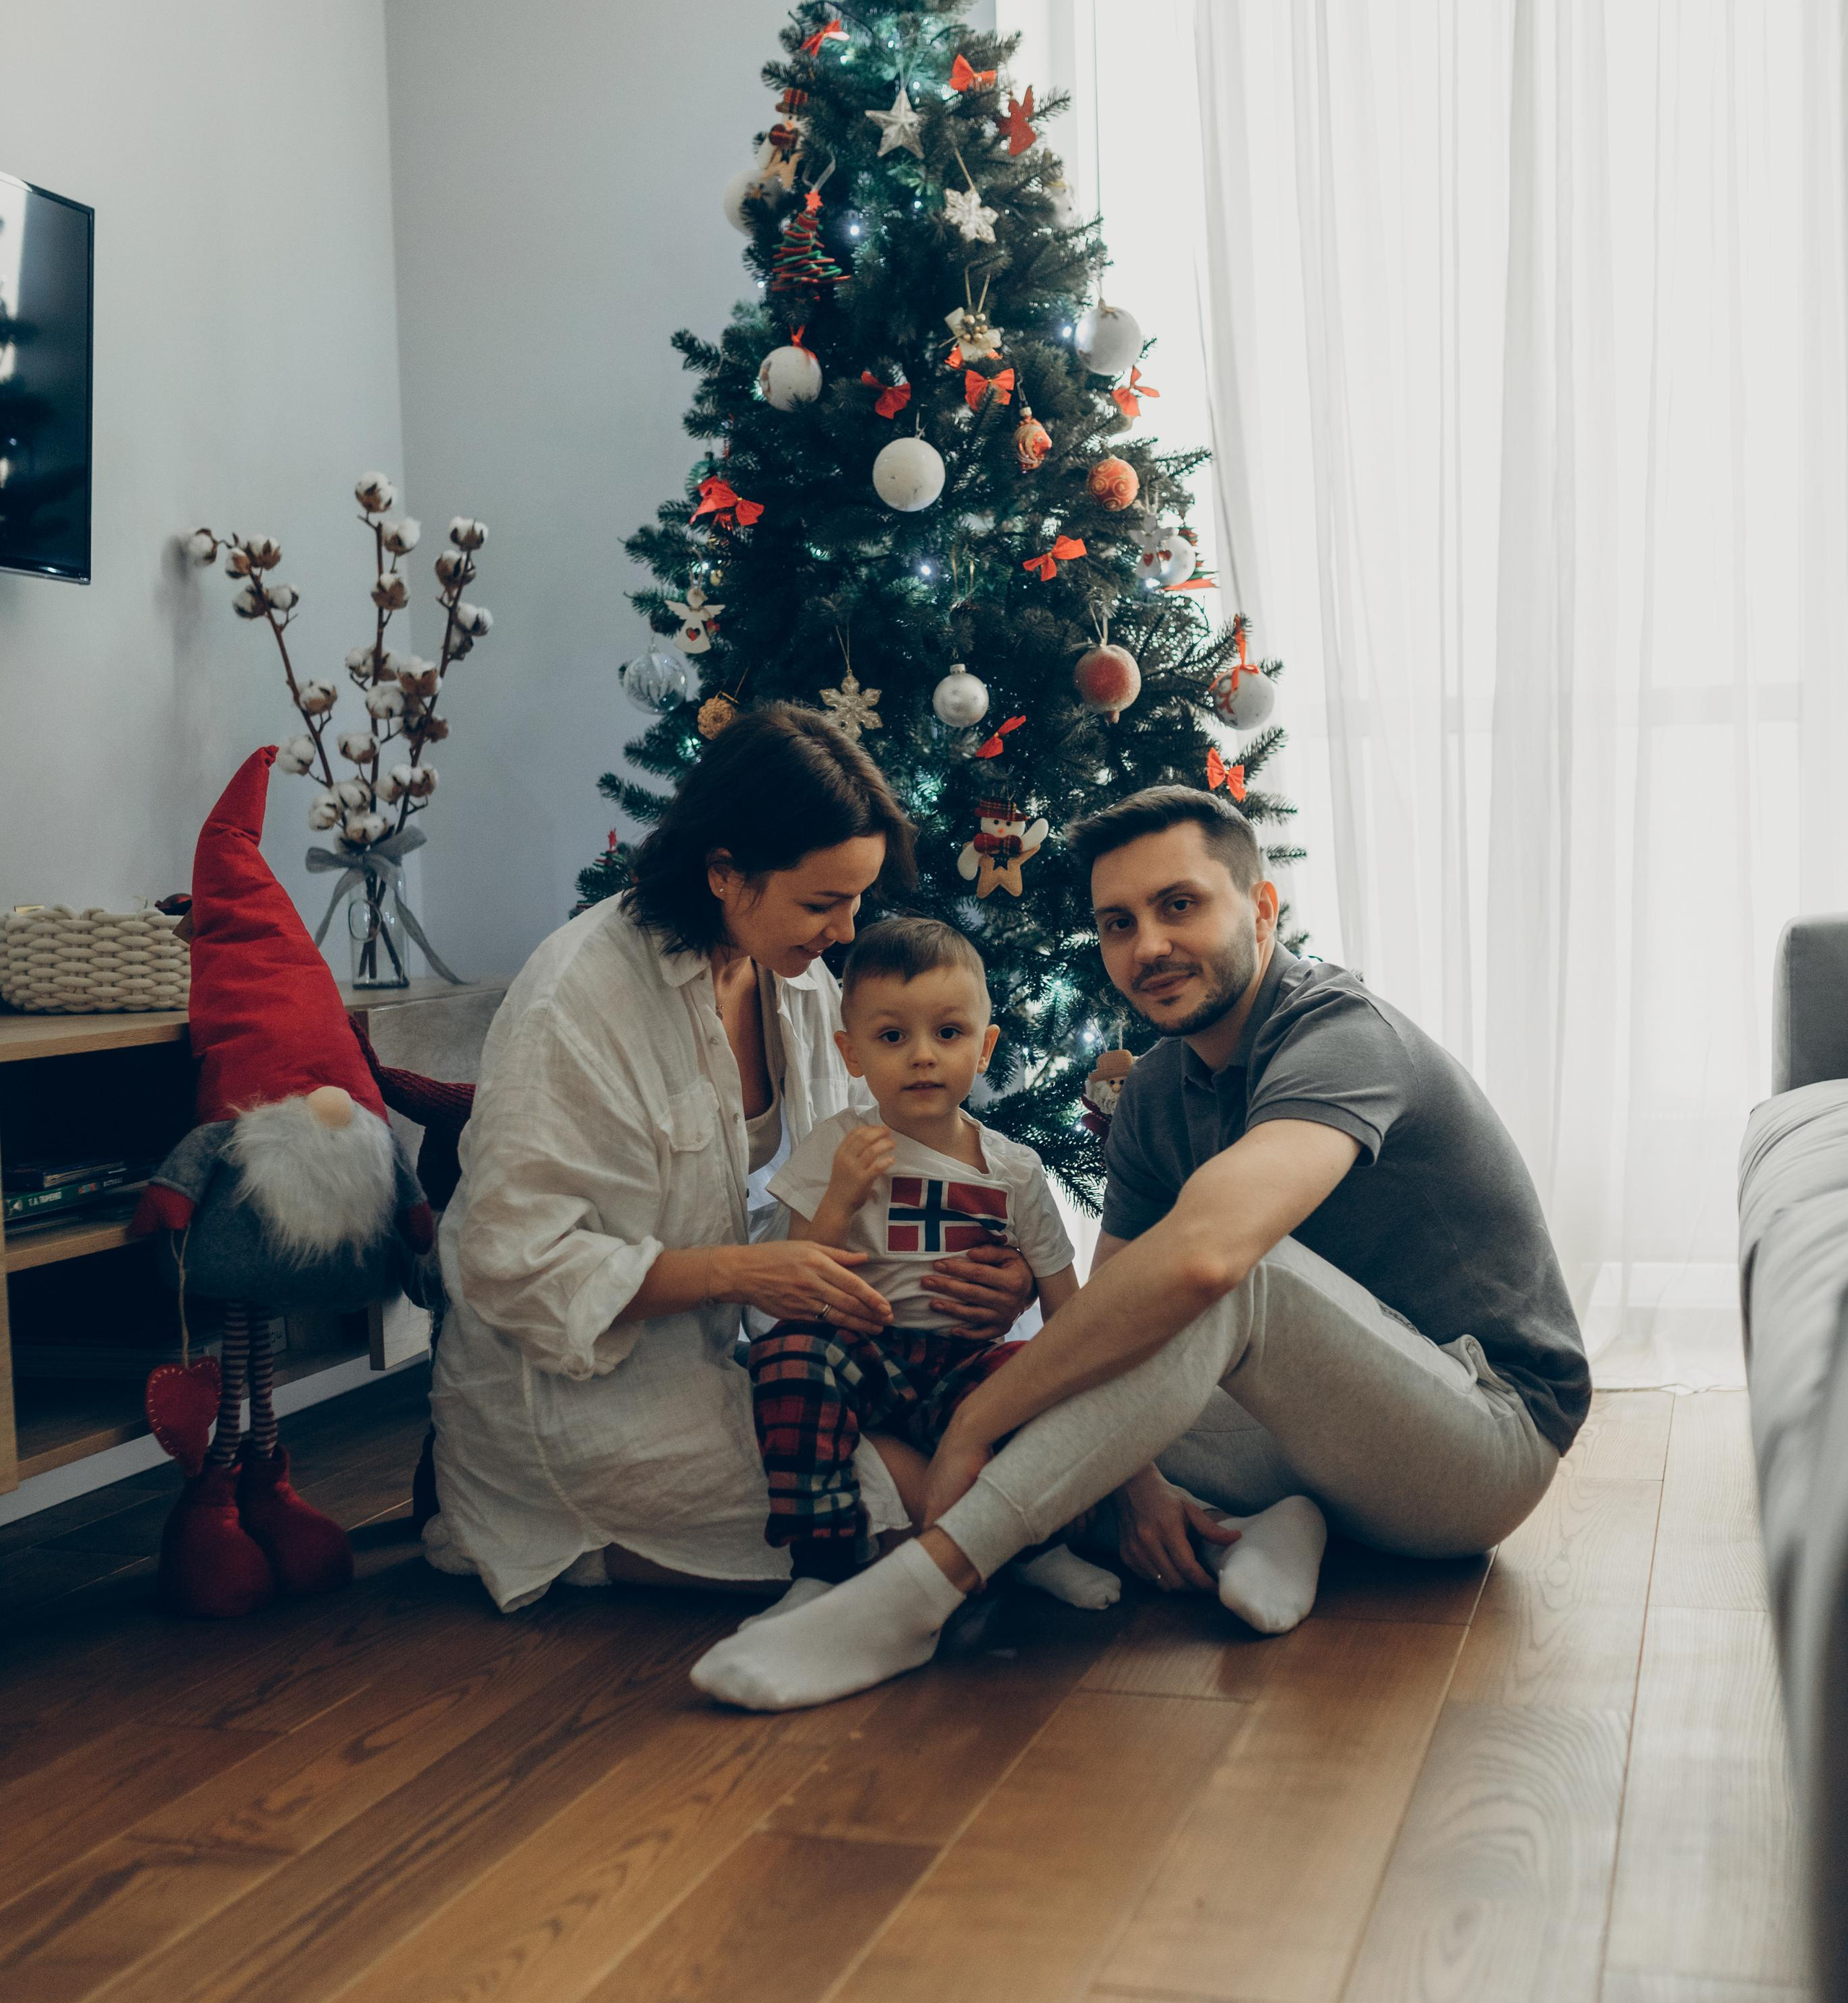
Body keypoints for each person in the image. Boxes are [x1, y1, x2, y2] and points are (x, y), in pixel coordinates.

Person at [692, 784, 1591, 1712]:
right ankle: (1265, 1526)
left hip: (1481, 1442)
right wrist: (1139, 1480)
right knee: (1088, 1362)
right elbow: (1111, 1315)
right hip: (1305, 1439)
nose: (1147, 946)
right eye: (1117, 924)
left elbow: (1207, 1260)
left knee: (1237, 1278)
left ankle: (913, 1598)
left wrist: (978, 1424)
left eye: (1179, 906)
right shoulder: (1159, 1091)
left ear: (1262, 908)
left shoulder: (1341, 1037)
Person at [422, 707, 1032, 1613]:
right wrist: (737, 1274)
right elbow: (513, 1266)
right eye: (822, 903)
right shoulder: (576, 1001)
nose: (844, 931)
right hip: (579, 1386)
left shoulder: (795, 977)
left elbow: (874, 1163)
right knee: (921, 1501)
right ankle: (535, 1527)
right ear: (723, 873)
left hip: (742, 1352)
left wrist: (1003, 1273)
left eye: (856, 900)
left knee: (992, 1452)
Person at [746, 912, 1114, 1618]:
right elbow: (800, 1280)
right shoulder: (838, 1144)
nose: (922, 1056)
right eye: (892, 1037)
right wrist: (842, 1196)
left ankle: (1042, 1552)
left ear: (984, 1048)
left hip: (963, 1367)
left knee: (1038, 1378)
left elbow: (1067, 1307)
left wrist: (1063, 1380)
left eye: (948, 1034)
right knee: (790, 1356)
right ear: (851, 1053)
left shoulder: (1014, 1168)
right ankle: (819, 1565)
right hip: (867, 1352)